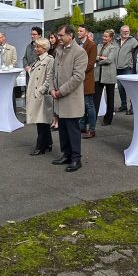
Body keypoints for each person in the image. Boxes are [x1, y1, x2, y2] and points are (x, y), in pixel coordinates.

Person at [51, 25, 87, 172]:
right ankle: (66, 154)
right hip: (59, 96)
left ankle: (76, 159)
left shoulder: (79, 52)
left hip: (70, 98)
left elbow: (78, 77)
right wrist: (52, 88)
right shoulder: (59, 50)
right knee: (63, 129)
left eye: (61, 35)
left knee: (72, 129)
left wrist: (61, 91)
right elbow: (53, 72)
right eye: (58, 35)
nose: (59, 38)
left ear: (70, 35)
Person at [26, 38, 54, 155]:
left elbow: (49, 77)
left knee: (41, 121)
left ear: (44, 48)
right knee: (41, 121)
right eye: (36, 46)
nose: (35, 49)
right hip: (36, 93)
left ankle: (40, 146)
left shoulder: (49, 60)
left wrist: (41, 91)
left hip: (41, 95)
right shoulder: (37, 60)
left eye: (38, 47)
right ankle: (48, 143)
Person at [77, 24, 97, 138]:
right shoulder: (78, 44)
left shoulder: (91, 45)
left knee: (89, 104)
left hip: (87, 79)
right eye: (78, 30)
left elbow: (91, 63)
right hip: (79, 79)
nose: (78, 32)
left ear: (86, 32)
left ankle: (92, 129)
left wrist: (78, 71)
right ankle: (82, 127)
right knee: (82, 105)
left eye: (81, 31)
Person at [93, 29, 118, 126]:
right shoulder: (99, 46)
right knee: (96, 98)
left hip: (109, 75)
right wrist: (101, 57)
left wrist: (99, 59)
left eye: (106, 36)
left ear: (111, 38)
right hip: (98, 75)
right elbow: (94, 56)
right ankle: (93, 119)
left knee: (110, 98)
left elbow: (110, 60)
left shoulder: (114, 47)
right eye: (103, 36)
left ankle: (108, 119)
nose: (104, 38)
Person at [115, 25, 138, 113]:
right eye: (124, 31)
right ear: (120, 32)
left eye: (127, 31)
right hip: (118, 68)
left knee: (130, 88)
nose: (126, 32)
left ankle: (132, 107)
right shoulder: (116, 41)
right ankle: (123, 106)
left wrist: (131, 64)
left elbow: (137, 53)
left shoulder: (133, 41)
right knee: (121, 88)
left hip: (127, 68)